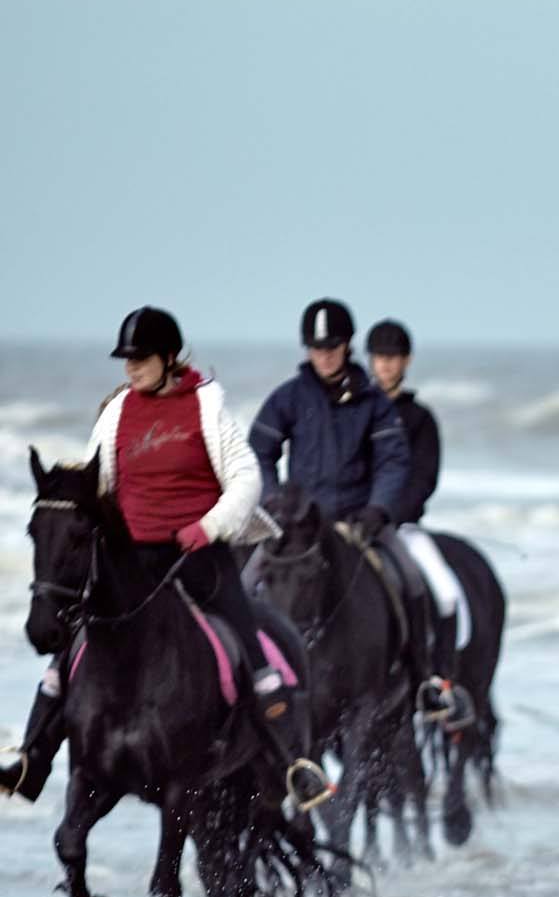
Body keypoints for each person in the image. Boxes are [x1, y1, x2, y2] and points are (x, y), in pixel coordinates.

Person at [0, 308, 331, 813]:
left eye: (140, 359)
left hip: (199, 553)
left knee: (249, 641)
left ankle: (295, 765)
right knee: (70, 652)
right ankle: (30, 761)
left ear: (169, 358)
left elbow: (246, 479)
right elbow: (98, 482)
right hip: (132, 560)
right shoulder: (116, 413)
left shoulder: (204, 407)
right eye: (125, 360)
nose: (130, 368)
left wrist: (209, 526)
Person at [251, 299, 454, 722]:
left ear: (347, 346)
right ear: (307, 348)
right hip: (300, 528)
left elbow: (394, 460)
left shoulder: (373, 402)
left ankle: (423, 682)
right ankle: (249, 681)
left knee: (412, 579)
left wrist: (378, 509)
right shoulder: (288, 398)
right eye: (316, 347)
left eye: (332, 346)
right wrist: (273, 502)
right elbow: (260, 450)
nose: (324, 354)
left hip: (359, 523)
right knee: (246, 579)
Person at [366, 318, 474, 731]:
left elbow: (423, 479)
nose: (386, 365)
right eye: (379, 357)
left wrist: (388, 514)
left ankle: (437, 680)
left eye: (393, 358)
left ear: (406, 361)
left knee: (445, 594)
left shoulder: (420, 419)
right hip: (353, 526)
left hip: (401, 528)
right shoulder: (356, 411)